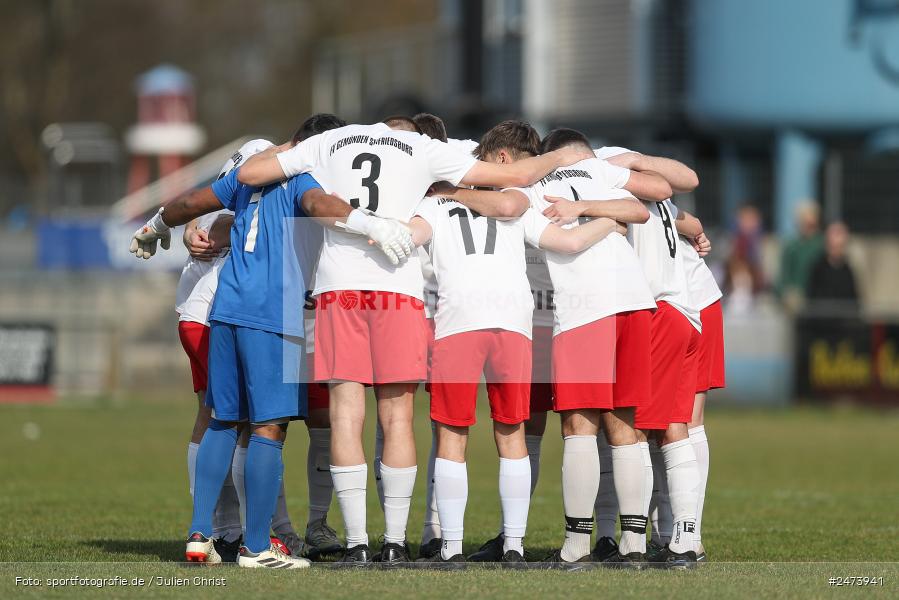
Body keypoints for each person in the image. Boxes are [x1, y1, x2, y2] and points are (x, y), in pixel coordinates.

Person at [236, 117, 587, 564]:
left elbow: (250, 174)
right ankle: (396, 543)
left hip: (338, 285)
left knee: (346, 415)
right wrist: (565, 156)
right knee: (398, 418)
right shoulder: (421, 149)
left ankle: (359, 543)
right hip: (398, 287)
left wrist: (294, 143)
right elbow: (515, 179)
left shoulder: (331, 140)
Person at [130, 119, 353, 568]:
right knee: (269, 429)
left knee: (222, 422)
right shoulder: (301, 177)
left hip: (225, 308)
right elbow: (319, 202)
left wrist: (154, 226)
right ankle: (255, 546)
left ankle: (200, 535)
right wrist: (371, 220)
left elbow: (193, 200)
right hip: (272, 313)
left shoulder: (248, 174)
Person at [406, 156, 629, 566]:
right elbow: (571, 242)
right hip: (513, 326)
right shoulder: (519, 200)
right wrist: (610, 224)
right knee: (512, 436)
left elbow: (409, 236)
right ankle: (514, 545)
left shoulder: (435, 202)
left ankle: (451, 548)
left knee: (453, 436)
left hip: (458, 324)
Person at [777, 201, 824, 310]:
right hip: (797, 299)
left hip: (819, 299)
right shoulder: (792, 247)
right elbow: (783, 278)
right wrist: (788, 293)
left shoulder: (823, 245)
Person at [806, 221, 860, 313]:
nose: (837, 250)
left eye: (841, 246)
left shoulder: (847, 270)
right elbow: (812, 300)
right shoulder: (818, 268)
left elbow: (854, 301)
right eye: (834, 246)